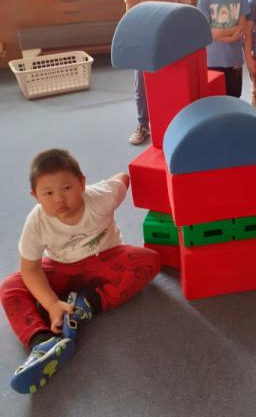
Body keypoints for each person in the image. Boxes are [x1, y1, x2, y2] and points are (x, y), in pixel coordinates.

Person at [0, 149, 160, 393]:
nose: (59, 199)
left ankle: (88, 303)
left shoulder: (101, 196)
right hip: (60, 268)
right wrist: (52, 304)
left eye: (67, 188)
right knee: (10, 287)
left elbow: (123, 179)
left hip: (104, 260)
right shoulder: (37, 221)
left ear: (82, 183)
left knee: (149, 261)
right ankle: (42, 343)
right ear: (35, 196)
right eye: (48, 193)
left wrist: (124, 179)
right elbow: (30, 269)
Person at [125, 0, 191, 144]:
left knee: (171, 86)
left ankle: (172, 123)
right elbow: (130, 21)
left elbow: (186, 16)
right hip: (144, 49)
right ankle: (143, 124)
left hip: (171, 48)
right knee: (142, 89)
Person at [197, 0, 250, 97]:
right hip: (212, 60)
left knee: (233, 97)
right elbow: (206, 33)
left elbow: (242, 28)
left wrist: (220, 33)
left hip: (234, 60)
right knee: (213, 100)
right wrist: (231, 36)